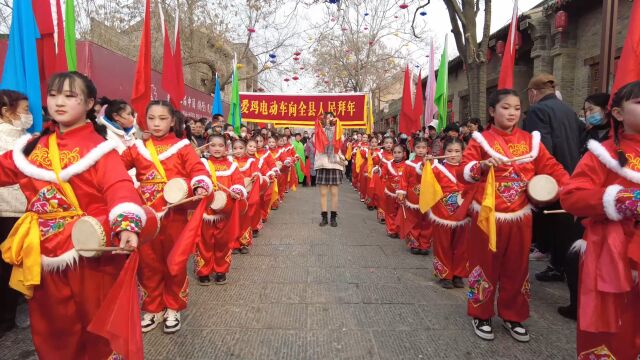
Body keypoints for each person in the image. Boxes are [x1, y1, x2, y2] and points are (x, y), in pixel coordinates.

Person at [0, 72, 146, 358]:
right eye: (53, 95)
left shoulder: (101, 150)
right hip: (41, 249)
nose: (59, 102)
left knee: (96, 325)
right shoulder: (32, 146)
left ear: (90, 103)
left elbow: (119, 187)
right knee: (51, 326)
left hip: (90, 250)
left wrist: (127, 224)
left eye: (70, 96)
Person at [459, 89, 569, 342]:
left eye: (517, 108)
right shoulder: (481, 140)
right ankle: (481, 314)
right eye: (505, 107)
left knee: (517, 268)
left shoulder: (531, 141)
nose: (512, 113)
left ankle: (513, 315)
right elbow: (463, 171)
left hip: (520, 216)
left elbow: (553, 168)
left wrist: (571, 188)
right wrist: (482, 166)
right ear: (492, 111)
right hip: (487, 216)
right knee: (484, 265)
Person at [559, 80, 640, 359]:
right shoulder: (601, 153)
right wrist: (622, 201)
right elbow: (572, 196)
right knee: (612, 331)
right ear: (617, 113)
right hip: (613, 255)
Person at [122, 100, 213, 334]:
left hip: (175, 213)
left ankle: (173, 306)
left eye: (162, 119)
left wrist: (200, 185)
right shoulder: (137, 147)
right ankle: (153, 307)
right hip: (147, 214)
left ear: (172, 121)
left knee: (174, 261)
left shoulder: (182, 147)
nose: (156, 123)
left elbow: (198, 170)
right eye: (151, 118)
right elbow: (116, 168)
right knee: (148, 263)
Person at [523, 73, 585, 283]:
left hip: (552, 175)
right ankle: (565, 265)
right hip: (573, 171)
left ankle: (558, 266)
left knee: (554, 224)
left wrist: (539, 181)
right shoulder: (569, 110)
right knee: (566, 223)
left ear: (532, 93)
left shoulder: (538, 111)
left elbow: (540, 148)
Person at [0, 90, 31, 336]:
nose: (28, 115)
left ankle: (10, 314)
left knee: (15, 265)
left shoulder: (27, 138)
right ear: (5, 111)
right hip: (7, 210)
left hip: (24, 210)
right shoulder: (5, 139)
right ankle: (5, 317)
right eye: (24, 110)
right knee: (6, 267)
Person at [198, 134, 246, 285]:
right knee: (204, 241)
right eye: (213, 145)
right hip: (206, 210)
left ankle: (221, 270)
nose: (217, 148)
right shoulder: (202, 164)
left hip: (225, 210)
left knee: (222, 241)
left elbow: (238, 182)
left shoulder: (231, 166)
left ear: (226, 148)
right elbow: (196, 179)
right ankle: (203, 270)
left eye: (220, 145)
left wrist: (237, 190)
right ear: (207, 146)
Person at [429, 137, 469, 289]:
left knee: (462, 245)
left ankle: (458, 274)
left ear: (463, 153)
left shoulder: (467, 170)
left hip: (463, 214)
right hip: (442, 213)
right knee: (442, 245)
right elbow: (424, 178)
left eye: (457, 151)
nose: (453, 154)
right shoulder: (437, 168)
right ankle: (445, 274)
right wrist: (425, 165)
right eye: (449, 151)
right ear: (443, 152)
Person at [397, 138, 432, 255]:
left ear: (427, 149)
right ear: (413, 148)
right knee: (413, 221)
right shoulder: (408, 165)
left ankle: (425, 244)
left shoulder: (432, 163)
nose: (421, 150)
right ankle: (414, 243)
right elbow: (404, 180)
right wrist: (402, 193)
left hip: (427, 197)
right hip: (412, 198)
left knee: (427, 222)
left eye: (423, 148)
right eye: (418, 147)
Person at [315, 112, 345, 227]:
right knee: (323, 193)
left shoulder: (339, 131)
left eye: (331, 117)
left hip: (335, 164)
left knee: (334, 192)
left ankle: (333, 217)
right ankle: (324, 217)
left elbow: (340, 140)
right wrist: (322, 128)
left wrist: (335, 127)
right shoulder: (318, 131)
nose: (329, 119)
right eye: (326, 118)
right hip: (323, 163)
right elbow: (317, 143)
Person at [231, 139, 260, 254]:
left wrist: (255, 174)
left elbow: (256, 171)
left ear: (245, 148)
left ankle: (243, 243)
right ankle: (233, 243)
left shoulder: (251, 161)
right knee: (233, 220)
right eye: (235, 148)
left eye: (241, 148)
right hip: (233, 196)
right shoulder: (230, 162)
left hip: (246, 196)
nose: (238, 151)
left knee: (244, 219)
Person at [380, 144, 406, 237]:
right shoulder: (388, 165)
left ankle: (399, 229)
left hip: (402, 193)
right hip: (390, 192)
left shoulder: (407, 165)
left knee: (401, 212)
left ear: (404, 153)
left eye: (399, 152)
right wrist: (378, 171)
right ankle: (391, 230)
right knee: (391, 212)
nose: (397, 154)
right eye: (394, 152)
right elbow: (382, 174)